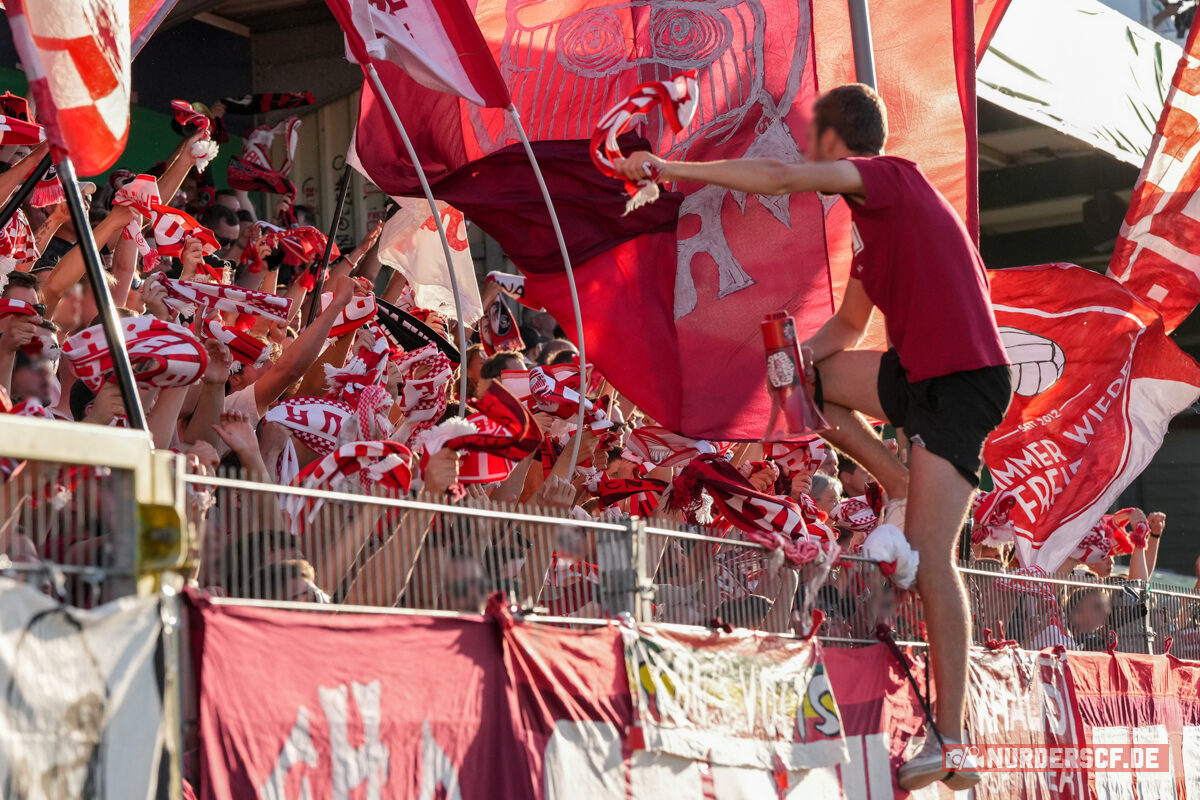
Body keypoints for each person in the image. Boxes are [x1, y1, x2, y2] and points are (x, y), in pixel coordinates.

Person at [614, 82, 1013, 791]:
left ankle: (952, 740)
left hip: (962, 383)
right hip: (916, 376)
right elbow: (848, 334)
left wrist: (670, 171)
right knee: (805, 381)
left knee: (931, 558)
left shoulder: (891, 178)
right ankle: (893, 477)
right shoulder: (871, 234)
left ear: (834, 143)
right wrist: (782, 366)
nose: (800, 148)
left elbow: (778, 179)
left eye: (810, 137)